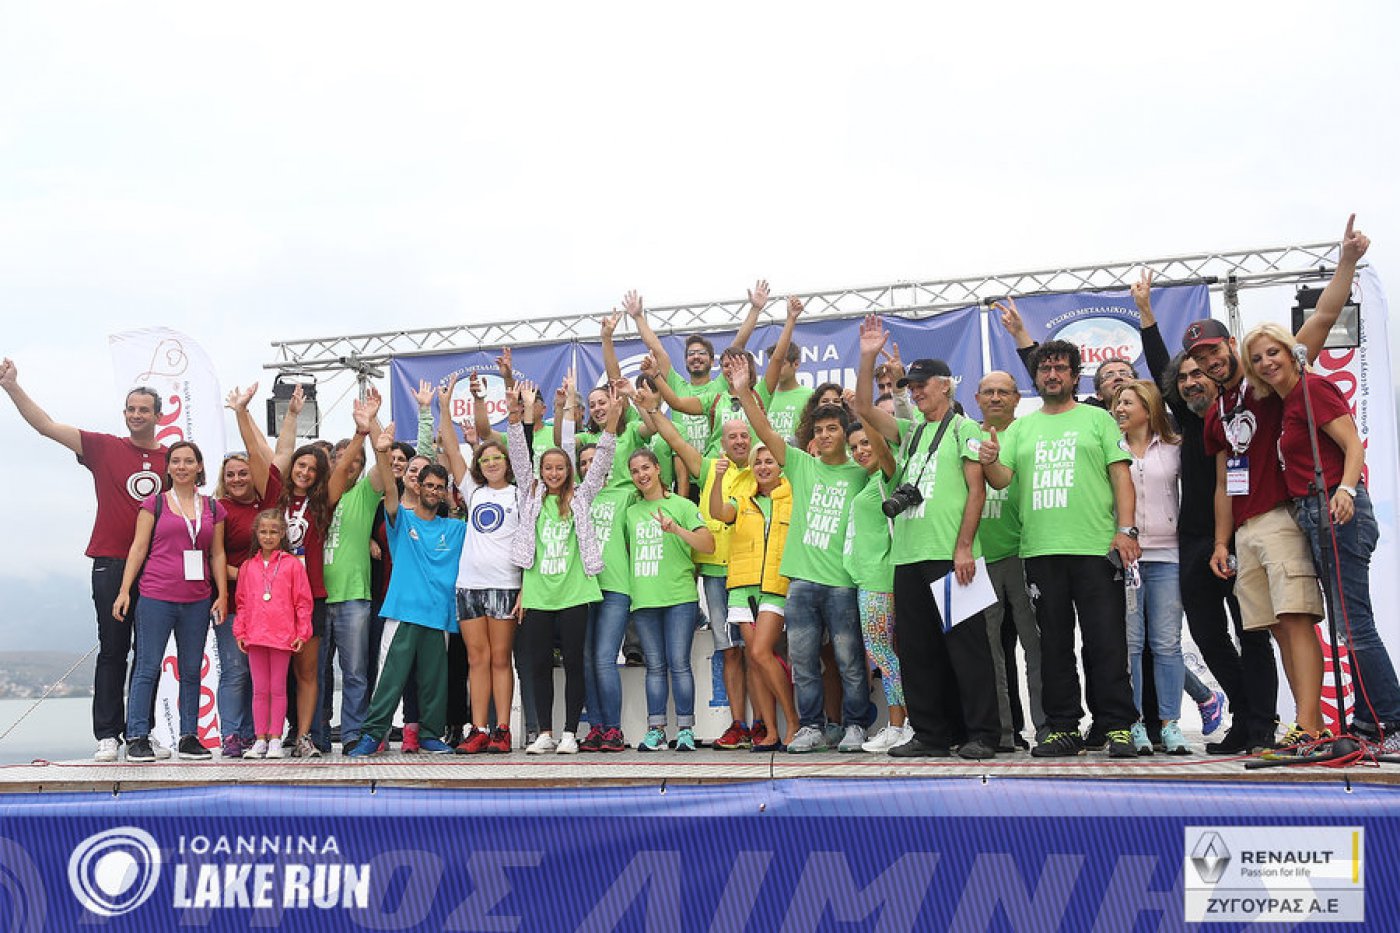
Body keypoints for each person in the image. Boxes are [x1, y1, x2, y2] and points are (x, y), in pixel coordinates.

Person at [0, 362, 170, 762]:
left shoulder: (175, 459)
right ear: (124, 413)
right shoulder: (104, 447)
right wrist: (12, 387)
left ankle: (141, 733)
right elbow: (46, 426)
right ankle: (108, 734)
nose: (136, 415)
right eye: (131, 409)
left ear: (158, 416)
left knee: (149, 655)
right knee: (113, 649)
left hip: (157, 567)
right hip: (111, 563)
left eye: (144, 410)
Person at [981, 338, 1143, 759]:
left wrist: (1126, 530)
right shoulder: (1022, 428)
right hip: (1039, 551)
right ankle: (1063, 727)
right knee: (1053, 645)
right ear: (1036, 378)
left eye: (1060, 368)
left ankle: (1117, 726)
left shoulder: (1098, 419)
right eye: (1044, 369)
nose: (1052, 375)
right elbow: (1000, 480)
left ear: (1074, 376)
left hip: (1096, 548)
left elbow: (1122, 478)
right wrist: (989, 459)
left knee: (1105, 641)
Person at [1243, 321, 1400, 752]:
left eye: (1273, 352)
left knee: (1355, 624)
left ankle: (1390, 720)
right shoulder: (1287, 401)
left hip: (1336, 507)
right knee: (1346, 625)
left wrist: (1345, 489)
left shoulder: (1312, 389)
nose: (1266, 362)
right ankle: (1368, 723)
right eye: (1257, 359)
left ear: (1290, 351)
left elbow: (1353, 444)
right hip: (1313, 512)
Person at [1132, 275, 1269, 754]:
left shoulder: (1242, 408)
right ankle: (1244, 713)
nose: (1192, 382)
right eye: (1185, 377)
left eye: (1201, 374)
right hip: (1193, 542)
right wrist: (1146, 314)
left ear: (1220, 374)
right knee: (1208, 636)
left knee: (1252, 632)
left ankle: (1261, 725)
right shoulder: (1190, 419)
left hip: (1243, 533)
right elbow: (1160, 366)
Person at [855, 318, 999, 759]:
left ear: (945, 386)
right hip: (908, 556)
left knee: (968, 649)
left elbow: (977, 490)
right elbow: (864, 409)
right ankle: (931, 734)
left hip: (952, 555)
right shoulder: (913, 432)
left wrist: (963, 547)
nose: (915, 392)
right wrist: (867, 357)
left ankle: (982, 734)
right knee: (918, 652)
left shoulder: (964, 429)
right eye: (910, 386)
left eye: (922, 385)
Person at [732, 327, 874, 755]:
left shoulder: (861, 472)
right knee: (803, 663)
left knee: (849, 662)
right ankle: (811, 726)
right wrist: (743, 392)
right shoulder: (799, 463)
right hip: (800, 582)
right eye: (821, 429)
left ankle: (855, 725)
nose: (826, 435)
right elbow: (762, 429)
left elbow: (884, 441)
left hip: (843, 581)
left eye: (834, 428)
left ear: (845, 434)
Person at [640, 381, 756, 750]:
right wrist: (653, 409)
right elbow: (675, 440)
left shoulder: (763, 470)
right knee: (729, 651)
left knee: (758, 652)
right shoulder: (708, 468)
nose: (738, 441)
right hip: (716, 575)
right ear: (722, 442)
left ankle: (765, 723)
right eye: (732, 436)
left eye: (744, 435)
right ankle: (738, 724)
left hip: (752, 575)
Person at [509, 381, 619, 755]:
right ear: (541, 472)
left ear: (568, 471)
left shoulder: (581, 497)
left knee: (574, 663)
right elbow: (519, 456)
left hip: (575, 592)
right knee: (539, 664)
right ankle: (545, 732)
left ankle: (570, 732)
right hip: (538, 594)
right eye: (548, 468)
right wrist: (516, 416)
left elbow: (601, 461)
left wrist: (611, 423)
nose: (554, 473)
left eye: (560, 468)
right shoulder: (531, 495)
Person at [347, 415, 467, 758]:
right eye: (428, 485)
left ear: (444, 492)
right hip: (403, 612)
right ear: (418, 487)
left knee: (434, 682)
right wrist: (382, 449)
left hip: (439, 615)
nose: (433, 491)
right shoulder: (401, 518)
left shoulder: (457, 529)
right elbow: (389, 488)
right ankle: (373, 734)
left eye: (439, 487)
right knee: (389, 679)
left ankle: (430, 734)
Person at [113, 440, 228, 762]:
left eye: (188, 461)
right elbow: (138, 548)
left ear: (199, 466)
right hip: (156, 597)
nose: (182, 466)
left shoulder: (213, 508)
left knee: (191, 670)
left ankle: (189, 736)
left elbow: (217, 554)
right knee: (147, 667)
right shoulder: (154, 504)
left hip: (197, 600)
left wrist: (222, 594)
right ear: (168, 467)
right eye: (175, 461)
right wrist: (124, 590)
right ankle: (137, 736)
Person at [439, 384, 524, 756]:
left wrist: (525, 588)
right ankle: (479, 728)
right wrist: (444, 407)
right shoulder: (474, 491)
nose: (491, 464)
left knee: (501, 659)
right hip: (469, 586)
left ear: (507, 462)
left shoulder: (520, 494)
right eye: (485, 459)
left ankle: (502, 729)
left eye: (497, 458)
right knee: (477, 659)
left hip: (505, 584)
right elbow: (450, 447)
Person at [1112, 379, 1191, 755]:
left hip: (1168, 555)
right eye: (1117, 403)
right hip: (1127, 558)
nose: (1119, 408)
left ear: (1148, 407)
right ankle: (1135, 723)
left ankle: (1171, 724)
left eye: (1127, 402)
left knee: (1166, 643)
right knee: (1131, 644)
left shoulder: (1175, 447)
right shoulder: (1110, 447)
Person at [625, 285, 763, 494]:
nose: (696, 357)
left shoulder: (720, 389)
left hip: (714, 472)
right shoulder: (676, 385)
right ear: (685, 361)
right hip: (683, 479)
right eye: (691, 354)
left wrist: (755, 309)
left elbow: (738, 345)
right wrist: (638, 317)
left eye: (702, 353)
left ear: (713, 361)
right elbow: (658, 351)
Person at [972, 368, 1045, 751]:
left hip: (1024, 554)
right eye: (988, 392)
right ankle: (1001, 732)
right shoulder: (964, 435)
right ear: (976, 399)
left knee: (1037, 648)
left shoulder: (1030, 431)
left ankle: (1048, 728)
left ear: (1018, 398)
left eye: (1004, 392)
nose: (996, 398)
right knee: (988, 653)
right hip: (978, 561)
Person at [625, 447, 715, 751]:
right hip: (644, 599)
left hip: (679, 598)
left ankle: (686, 730)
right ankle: (657, 730)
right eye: (635, 471)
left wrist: (675, 529)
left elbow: (708, 544)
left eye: (645, 468)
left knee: (679, 664)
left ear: (657, 468)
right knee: (654, 666)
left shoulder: (682, 505)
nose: (641, 475)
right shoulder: (631, 512)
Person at [711, 443, 799, 749]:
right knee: (753, 658)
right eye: (758, 462)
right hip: (742, 587)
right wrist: (718, 479)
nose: (763, 467)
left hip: (775, 586)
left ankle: (793, 722)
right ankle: (770, 731)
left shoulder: (793, 496)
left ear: (780, 466)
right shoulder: (743, 499)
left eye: (769, 461)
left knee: (762, 652)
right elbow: (718, 512)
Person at [840, 419, 912, 753]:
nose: (859, 451)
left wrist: (864, 410)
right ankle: (901, 724)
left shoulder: (887, 473)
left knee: (882, 653)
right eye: (854, 447)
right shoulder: (869, 480)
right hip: (868, 578)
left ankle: (902, 725)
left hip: (880, 577)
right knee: (887, 654)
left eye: (865, 443)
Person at [234, 510, 313, 759]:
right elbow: (242, 602)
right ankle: (260, 739)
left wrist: (302, 632)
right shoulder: (248, 567)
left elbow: (303, 601)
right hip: (255, 635)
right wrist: (240, 631)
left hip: (282, 636)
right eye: (263, 532)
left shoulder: (292, 565)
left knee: (278, 688)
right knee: (259, 689)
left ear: (282, 534)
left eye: (273, 532)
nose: (268, 536)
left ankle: (276, 738)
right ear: (256, 534)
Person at [759, 296, 815, 440]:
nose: (777, 369)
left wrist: (791, 318)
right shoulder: (763, 395)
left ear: (796, 364)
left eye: (781, 364)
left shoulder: (811, 396)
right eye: (773, 364)